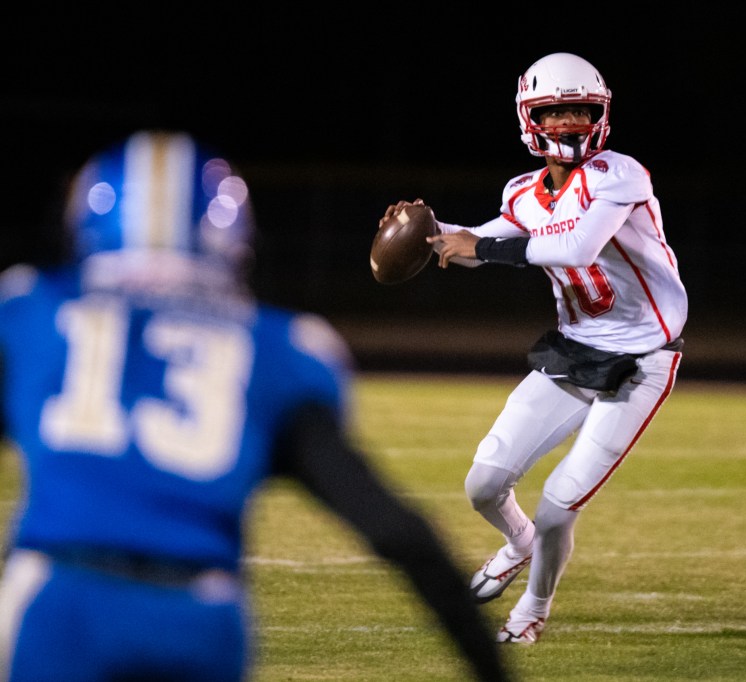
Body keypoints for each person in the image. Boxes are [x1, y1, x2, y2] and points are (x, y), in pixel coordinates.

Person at [0, 130, 512, 682]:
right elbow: (399, 535)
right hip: (201, 621)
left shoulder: (31, 312)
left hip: (58, 604)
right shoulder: (278, 349)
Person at [379, 53, 687, 644]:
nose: (570, 123)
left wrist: (478, 247)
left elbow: (574, 247)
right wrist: (430, 234)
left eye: (581, 110)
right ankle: (517, 543)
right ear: (530, 119)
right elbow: (479, 242)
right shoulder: (523, 192)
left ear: (600, 116)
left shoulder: (619, 175)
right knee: (483, 485)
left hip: (643, 359)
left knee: (557, 508)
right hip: (575, 351)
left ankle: (530, 613)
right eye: (556, 111)